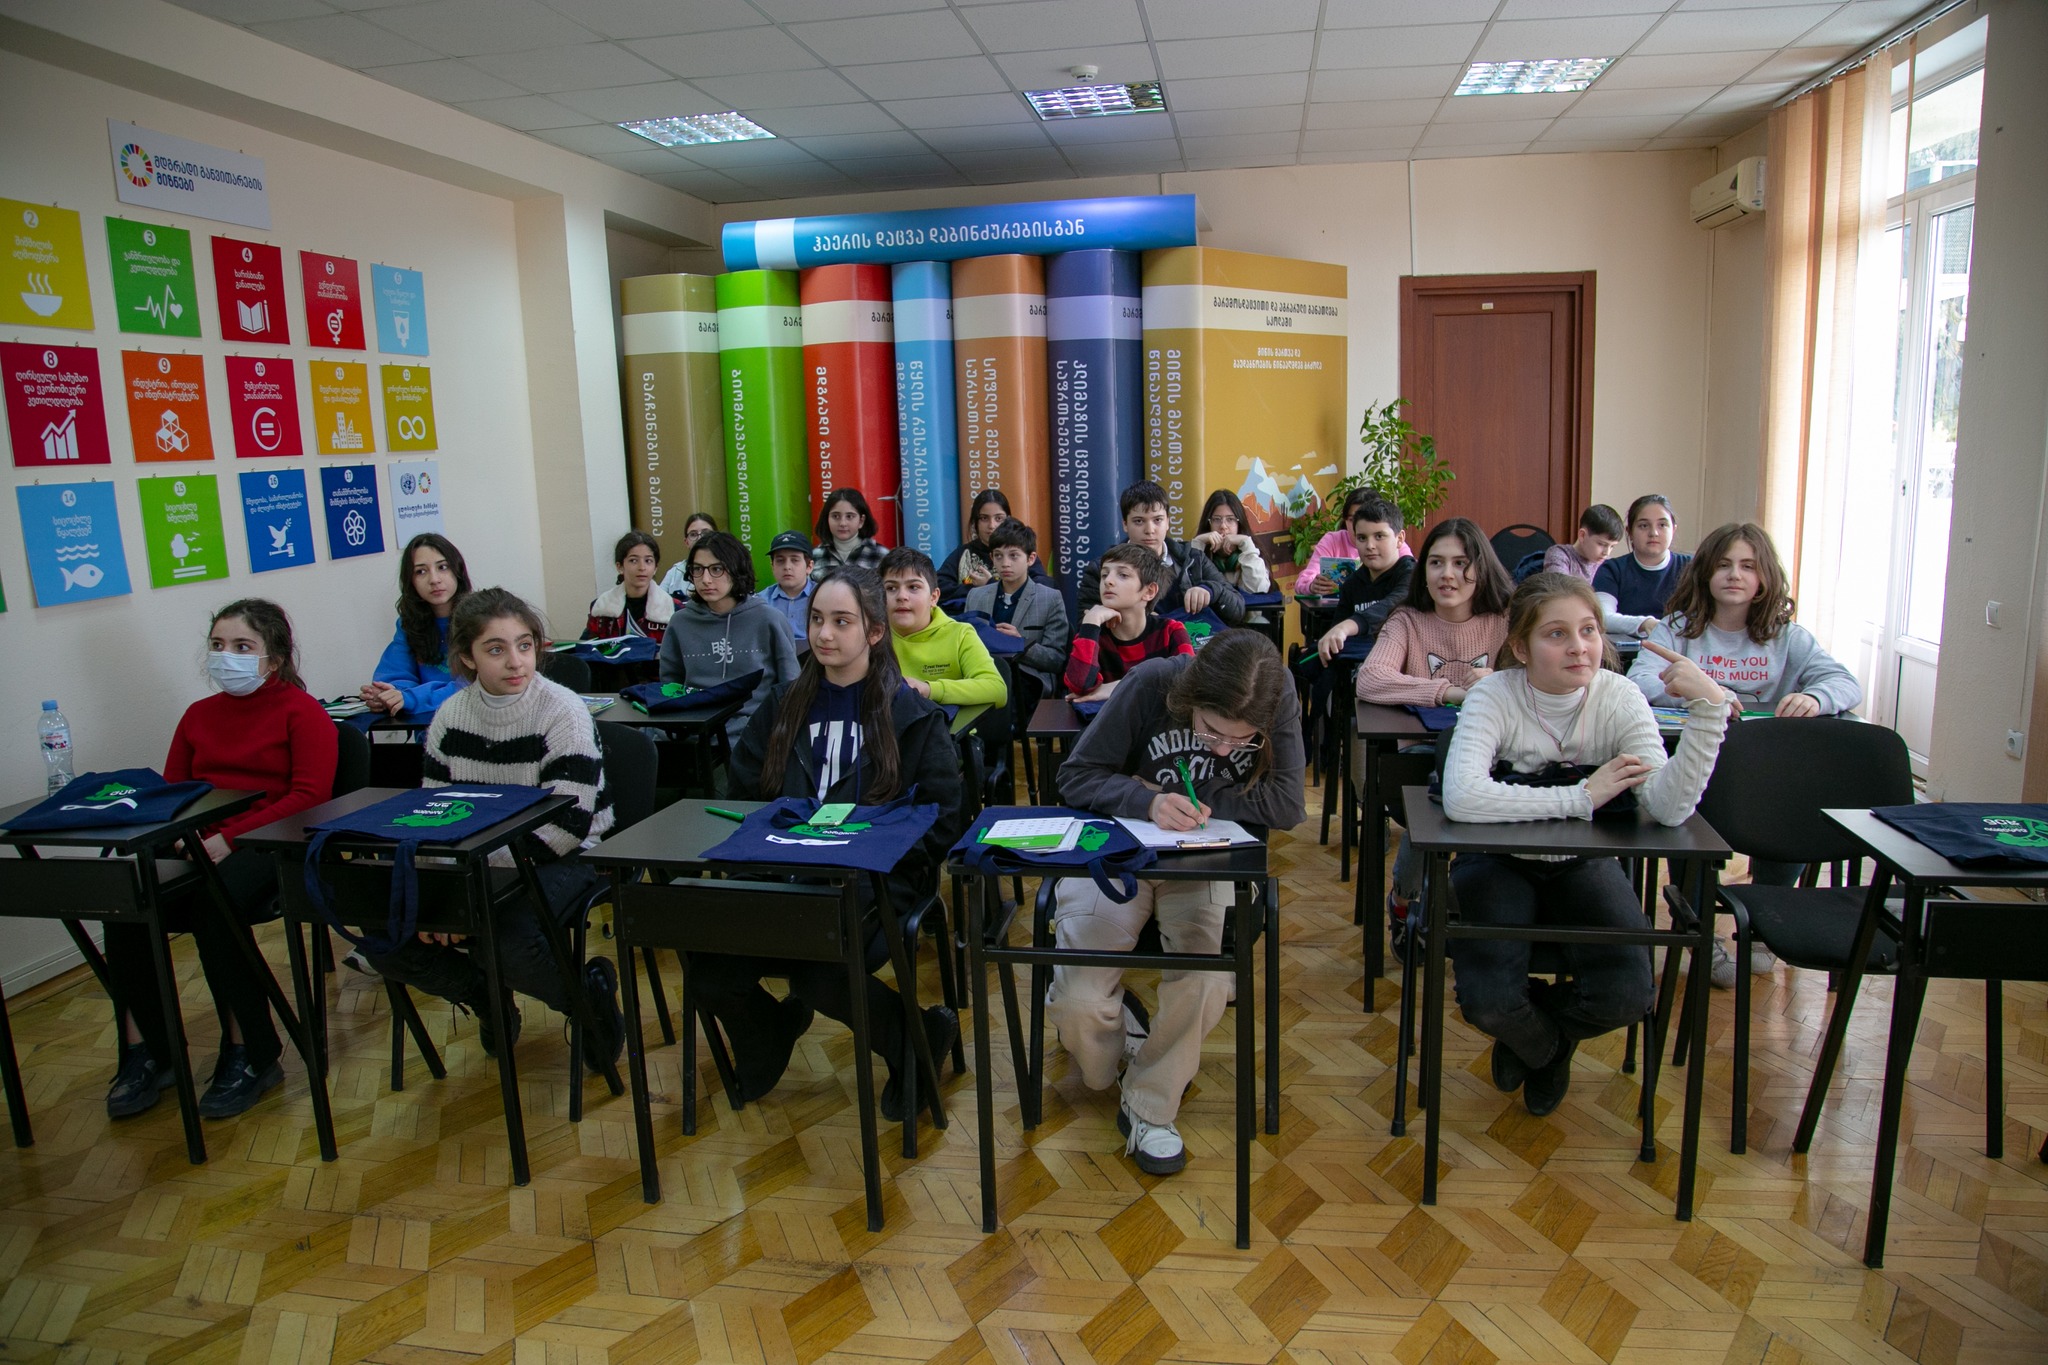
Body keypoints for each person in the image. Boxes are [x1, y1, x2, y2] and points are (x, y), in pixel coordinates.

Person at [1440, 572, 1729, 1116]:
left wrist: (1709, 711)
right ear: (1520, 647)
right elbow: (1461, 796)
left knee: (1629, 994)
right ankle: (1547, 1051)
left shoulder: (1620, 697)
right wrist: (1582, 795)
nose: (1579, 646)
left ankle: (1539, 1040)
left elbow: (1667, 808)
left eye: (1589, 630)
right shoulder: (1493, 694)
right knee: (1490, 1003)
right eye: (1557, 634)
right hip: (1497, 860)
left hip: (1583, 861)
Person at [692, 568, 965, 1120]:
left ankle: (916, 1039)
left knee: (817, 969)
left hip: (876, 881)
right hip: (781, 873)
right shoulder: (784, 703)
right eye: (817, 619)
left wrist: (885, 856)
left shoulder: (909, 713)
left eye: (842, 622)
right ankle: (768, 1031)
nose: (823, 634)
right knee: (708, 964)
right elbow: (744, 792)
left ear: (874, 632)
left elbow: (944, 814)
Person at [1049, 631, 1307, 1174]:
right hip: (1121, 851)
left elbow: (1287, 804)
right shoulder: (1153, 683)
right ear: (1191, 698)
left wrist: (1191, 796)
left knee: (1207, 981)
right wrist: (1145, 801)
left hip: (1207, 859)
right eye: (1211, 731)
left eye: (1241, 742)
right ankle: (1126, 1046)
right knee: (1079, 1003)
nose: (1221, 750)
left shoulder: (1277, 690)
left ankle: (1150, 1104)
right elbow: (1075, 776)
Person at [368, 589, 623, 1068]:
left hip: (566, 854)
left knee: (505, 938)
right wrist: (442, 890)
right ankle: (485, 997)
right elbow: (433, 814)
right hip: (477, 861)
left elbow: (566, 828)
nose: (516, 661)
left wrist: (472, 888)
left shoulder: (563, 711)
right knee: (386, 931)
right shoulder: (450, 716)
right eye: (496, 649)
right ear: (467, 657)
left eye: (524, 645)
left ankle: (585, 1000)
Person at [103, 599, 338, 1120]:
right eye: (217, 645)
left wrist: (229, 838)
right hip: (200, 843)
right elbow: (174, 793)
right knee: (124, 899)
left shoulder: (303, 713)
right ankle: (148, 1051)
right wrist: (180, 835)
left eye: (242, 646)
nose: (226, 655)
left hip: (274, 844)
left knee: (214, 905)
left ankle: (250, 1051)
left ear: (274, 658)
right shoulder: (198, 716)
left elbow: (309, 797)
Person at [1629, 521, 1863, 986]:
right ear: (1705, 573)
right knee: (1681, 814)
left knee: (1798, 803)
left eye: (1748, 566)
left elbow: (1845, 683)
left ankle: (1764, 926)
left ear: (1764, 578)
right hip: (1702, 766)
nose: (1734, 575)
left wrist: (1815, 698)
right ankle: (1699, 929)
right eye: (1723, 564)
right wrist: (1705, 694)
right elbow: (1640, 682)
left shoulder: (1787, 636)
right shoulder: (1677, 630)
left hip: (1769, 775)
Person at [1354, 518, 1514, 944]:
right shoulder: (1407, 620)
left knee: (1463, 788)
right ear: (1422, 570)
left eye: (1461, 563)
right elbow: (1370, 679)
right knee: (1439, 787)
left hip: (1499, 758)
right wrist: (1449, 691)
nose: (1448, 575)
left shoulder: (1505, 619)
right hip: (1421, 759)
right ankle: (1407, 899)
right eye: (1437, 563)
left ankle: (1466, 901)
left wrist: (1500, 680)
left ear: (1481, 567)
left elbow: (1537, 678)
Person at [657, 530, 802, 746]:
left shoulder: (768, 619)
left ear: (737, 570)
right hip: (695, 727)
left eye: (717, 569)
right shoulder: (680, 622)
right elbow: (671, 685)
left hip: (752, 728)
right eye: (698, 569)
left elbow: (790, 687)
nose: (706, 579)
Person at [1077, 481, 1245, 625]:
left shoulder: (1193, 559)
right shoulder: (1101, 569)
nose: (1149, 530)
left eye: (1157, 520)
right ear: (1125, 525)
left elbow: (1238, 609)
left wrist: (1211, 590)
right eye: (1139, 521)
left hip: (1192, 650)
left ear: (1168, 522)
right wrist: (1133, 618)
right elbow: (1086, 626)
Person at [965, 518, 1070, 726]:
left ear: (1030, 559)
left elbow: (1057, 659)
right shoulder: (976, 596)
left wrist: (1021, 644)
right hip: (983, 674)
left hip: (1027, 678)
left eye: (1013, 556)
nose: (1005, 563)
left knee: (1010, 685)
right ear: (991, 558)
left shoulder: (1049, 598)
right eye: (998, 556)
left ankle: (999, 737)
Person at [881, 547, 1008, 711]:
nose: (901, 596)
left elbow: (997, 689)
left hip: (946, 726)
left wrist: (929, 689)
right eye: (891, 588)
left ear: (934, 597)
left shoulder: (960, 634)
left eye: (913, 587)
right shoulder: (872, 637)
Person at [361, 532, 471, 719]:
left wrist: (412, 698)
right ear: (410, 581)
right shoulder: (408, 624)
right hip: (428, 726)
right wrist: (387, 695)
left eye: (442, 567)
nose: (434, 579)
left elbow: (473, 685)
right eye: (421, 571)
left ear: (458, 571)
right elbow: (395, 675)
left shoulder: (480, 620)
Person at [1065, 543, 1194, 700]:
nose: (1108, 581)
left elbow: (1187, 684)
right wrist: (1091, 621)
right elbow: (1078, 686)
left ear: (1149, 591)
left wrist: (1118, 687)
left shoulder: (1171, 631)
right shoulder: (1093, 632)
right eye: (1104, 575)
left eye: (1123, 575)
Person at [1311, 494, 1417, 664]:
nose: (1370, 546)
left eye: (1379, 536)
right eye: (1362, 538)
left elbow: (1392, 604)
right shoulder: (1352, 583)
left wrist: (1348, 626)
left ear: (1399, 539)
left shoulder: (1412, 574)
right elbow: (1336, 633)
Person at [1593, 495, 1689, 663]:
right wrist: (1645, 624)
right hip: (1624, 660)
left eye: (1662, 525)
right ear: (1629, 532)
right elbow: (1603, 617)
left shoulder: (1691, 567)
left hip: (1682, 657)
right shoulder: (1612, 570)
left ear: (1673, 529)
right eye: (1644, 525)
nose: (1653, 533)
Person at [1296, 486, 1415, 596]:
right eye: (1352, 519)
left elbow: (1413, 576)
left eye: (1379, 536)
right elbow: (1303, 581)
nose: (1370, 546)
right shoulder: (1332, 540)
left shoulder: (1393, 542)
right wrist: (1312, 586)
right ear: (1344, 519)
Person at [938, 489, 1052, 598]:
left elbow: (1042, 587)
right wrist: (975, 589)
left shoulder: (1020, 551)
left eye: (998, 518)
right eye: (984, 518)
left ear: (1008, 519)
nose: (992, 525)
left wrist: (991, 585)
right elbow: (938, 587)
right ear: (975, 522)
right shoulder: (964, 553)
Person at [584, 530, 674, 643]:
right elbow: (586, 647)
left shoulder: (672, 608)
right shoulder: (601, 606)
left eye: (648, 561)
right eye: (633, 560)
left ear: (655, 568)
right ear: (620, 566)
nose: (642, 567)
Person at [1189, 489, 1271, 596]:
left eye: (1230, 519)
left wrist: (1246, 544)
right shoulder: (1201, 550)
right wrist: (1198, 543)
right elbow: (1186, 586)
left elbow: (1258, 589)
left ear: (1239, 524)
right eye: (1216, 519)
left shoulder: (1251, 554)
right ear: (1208, 523)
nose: (1223, 526)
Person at [812, 489, 888, 579]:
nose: (842, 523)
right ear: (827, 519)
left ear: (861, 521)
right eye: (835, 516)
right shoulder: (815, 555)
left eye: (849, 516)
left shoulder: (881, 554)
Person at [1544, 504, 1624, 584]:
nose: (1607, 553)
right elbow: (1560, 589)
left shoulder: (1609, 565)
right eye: (1601, 544)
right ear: (1582, 535)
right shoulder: (1560, 555)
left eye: (1612, 546)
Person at [761, 530, 815, 643]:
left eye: (794, 560)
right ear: (772, 567)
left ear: (809, 566)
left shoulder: (823, 597)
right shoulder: (761, 602)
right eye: (780, 561)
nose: (787, 567)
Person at [656, 512, 720, 599]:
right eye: (693, 534)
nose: (699, 538)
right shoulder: (675, 571)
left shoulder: (727, 569)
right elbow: (657, 601)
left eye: (705, 533)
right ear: (686, 542)